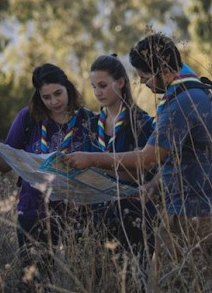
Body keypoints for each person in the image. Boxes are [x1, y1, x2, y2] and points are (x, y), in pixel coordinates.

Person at [63, 34, 212, 290]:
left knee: (178, 284)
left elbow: (146, 158)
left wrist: (91, 159)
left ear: (165, 71)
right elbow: (183, 154)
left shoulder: (179, 103)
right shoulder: (194, 89)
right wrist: (155, 184)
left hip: (195, 209)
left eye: (145, 76)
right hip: (197, 202)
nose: (143, 83)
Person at [0, 63, 94, 282]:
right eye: (46, 97)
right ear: (39, 97)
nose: (54, 101)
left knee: (83, 276)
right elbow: (6, 165)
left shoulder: (88, 120)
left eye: (58, 93)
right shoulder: (28, 118)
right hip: (34, 209)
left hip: (78, 211)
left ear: (68, 88)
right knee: (34, 280)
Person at [86, 54, 156, 286]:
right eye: (94, 86)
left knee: (133, 282)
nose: (97, 92)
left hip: (133, 217)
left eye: (103, 85)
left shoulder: (141, 123)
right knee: (99, 282)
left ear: (121, 83)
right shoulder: (91, 125)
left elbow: (148, 167)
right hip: (98, 216)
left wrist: (101, 165)